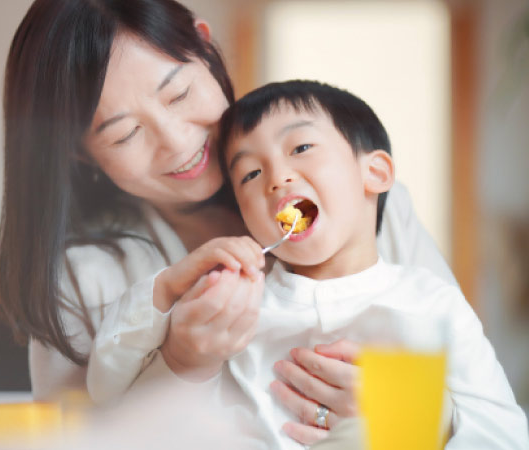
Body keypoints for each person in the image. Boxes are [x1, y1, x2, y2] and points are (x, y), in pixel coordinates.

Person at [0, 0, 456, 446]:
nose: (177, 143)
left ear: (206, 46)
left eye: (179, 93)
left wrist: (416, 413)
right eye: (126, 134)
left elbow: (476, 402)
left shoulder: (365, 204)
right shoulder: (82, 280)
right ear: (79, 153)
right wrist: (181, 365)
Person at [204, 80, 524, 448]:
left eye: (302, 147)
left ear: (375, 173)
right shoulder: (238, 311)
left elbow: (505, 437)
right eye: (250, 174)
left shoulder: (433, 304)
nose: (277, 179)